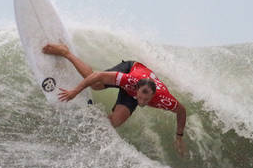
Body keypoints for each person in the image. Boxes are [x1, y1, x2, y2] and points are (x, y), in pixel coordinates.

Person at [42, 43, 187, 156]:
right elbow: (97, 75)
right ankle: (65, 52)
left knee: (115, 122)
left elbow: (182, 111)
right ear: (136, 90)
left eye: (145, 100)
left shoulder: (163, 99)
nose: (141, 102)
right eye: (140, 98)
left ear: (153, 96)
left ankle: (91, 123)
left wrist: (179, 137)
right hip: (131, 68)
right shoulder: (129, 80)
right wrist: (75, 91)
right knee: (96, 85)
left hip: (140, 86)